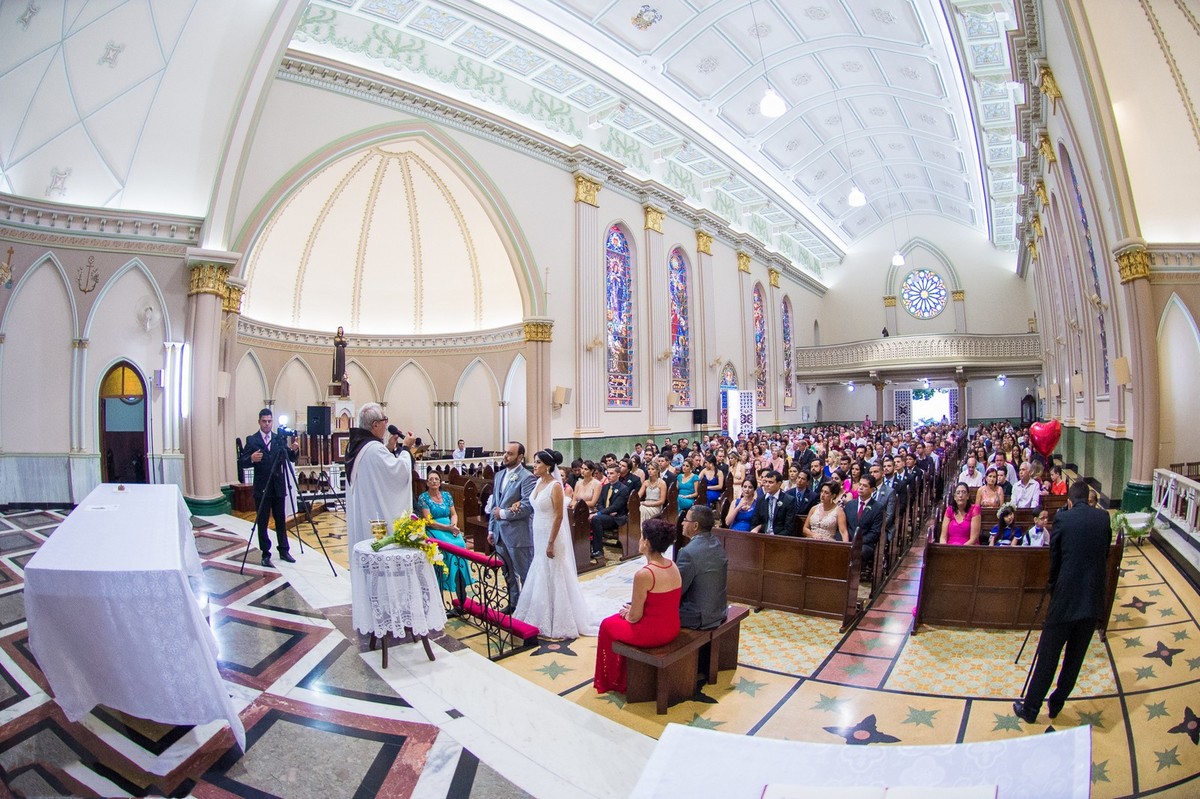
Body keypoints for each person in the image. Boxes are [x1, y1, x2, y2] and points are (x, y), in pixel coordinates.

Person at [1013, 479, 1113, 723]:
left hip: (1065, 598)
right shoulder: (1103, 519)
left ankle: (1031, 709)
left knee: (1048, 655)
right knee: (1074, 659)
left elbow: (1055, 556)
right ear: (1089, 498)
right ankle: (1056, 704)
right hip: (1092, 600)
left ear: (1069, 501)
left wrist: (1052, 585)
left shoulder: (1063, 519)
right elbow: (1106, 553)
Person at [514, 450, 598, 639]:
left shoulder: (555, 486)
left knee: (555, 570)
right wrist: (519, 503)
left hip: (552, 534)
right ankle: (541, 611)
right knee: (540, 569)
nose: (534, 465)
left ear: (548, 466)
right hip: (538, 531)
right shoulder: (538, 482)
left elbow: (559, 515)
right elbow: (534, 501)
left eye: (537, 462)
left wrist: (551, 542)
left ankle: (558, 616)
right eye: (534, 462)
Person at [594, 519, 682, 695]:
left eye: (642, 537)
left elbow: (635, 617)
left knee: (606, 625)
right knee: (617, 619)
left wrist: (628, 613)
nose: (640, 540)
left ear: (647, 542)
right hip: (672, 627)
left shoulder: (645, 574)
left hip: (653, 633)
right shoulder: (673, 565)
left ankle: (613, 679)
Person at [345, 403, 416, 555]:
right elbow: (399, 471)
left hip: (366, 509)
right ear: (375, 424)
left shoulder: (358, 445)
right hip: (376, 517)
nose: (387, 424)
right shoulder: (373, 449)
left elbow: (375, 466)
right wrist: (407, 448)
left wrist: (388, 448)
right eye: (385, 420)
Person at [238, 408, 300, 567]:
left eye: (269, 421)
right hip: (262, 487)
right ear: (259, 422)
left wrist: (295, 449)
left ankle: (284, 550)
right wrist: (251, 458)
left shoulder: (278, 439)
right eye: (264, 421)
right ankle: (265, 553)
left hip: (278, 486)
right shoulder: (252, 440)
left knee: (280, 520)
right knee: (263, 521)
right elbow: (242, 462)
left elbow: (290, 457)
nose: (267, 424)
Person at [487, 441, 536, 611]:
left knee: (525, 573)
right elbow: (495, 503)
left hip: (518, 534)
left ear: (520, 457)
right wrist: (491, 529)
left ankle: (529, 607)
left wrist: (503, 514)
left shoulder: (527, 477)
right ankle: (514, 603)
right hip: (500, 533)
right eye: (505, 452)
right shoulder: (499, 475)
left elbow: (527, 506)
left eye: (510, 453)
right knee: (507, 573)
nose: (505, 456)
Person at [417, 471, 473, 597]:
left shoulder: (447, 495)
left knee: (460, 543)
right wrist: (447, 528)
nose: (434, 481)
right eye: (431, 479)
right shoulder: (423, 497)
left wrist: (453, 525)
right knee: (448, 547)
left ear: (440, 481)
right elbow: (428, 521)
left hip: (449, 526)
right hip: (435, 528)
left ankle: (461, 581)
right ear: (427, 483)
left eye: (436, 479)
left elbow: (453, 514)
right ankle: (448, 581)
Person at [677, 505, 728, 630]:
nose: (682, 523)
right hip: (718, 609)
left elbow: (677, 589)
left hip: (697, 616)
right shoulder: (716, 543)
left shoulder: (688, 552)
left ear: (695, 526)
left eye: (686, 520)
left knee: (653, 612)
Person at [590, 464, 632, 562]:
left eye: (611, 473)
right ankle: (586, 549)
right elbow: (599, 503)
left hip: (617, 518)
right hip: (607, 515)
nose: (609, 475)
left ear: (618, 474)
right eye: (607, 473)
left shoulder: (623, 489)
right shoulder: (605, 487)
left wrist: (600, 513)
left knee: (596, 518)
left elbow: (616, 506)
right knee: (586, 518)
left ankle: (598, 550)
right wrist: (603, 513)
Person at [845, 474, 885, 567]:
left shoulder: (878, 508)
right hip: (847, 540)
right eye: (860, 485)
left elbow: (874, 532)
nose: (861, 488)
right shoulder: (850, 504)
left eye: (865, 486)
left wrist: (857, 542)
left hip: (864, 544)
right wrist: (846, 541)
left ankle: (853, 579)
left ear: (872, 490)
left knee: (858, 553)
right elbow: (844, 526)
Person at [750, 470, 798, 536]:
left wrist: (774, 537)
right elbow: (754, 522)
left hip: (780, 538)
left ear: (779, 484)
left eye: (770, 482)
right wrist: (757, 529)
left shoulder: (788, 500)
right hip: (762, 536)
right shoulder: (760, 500)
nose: (767, 485)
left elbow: (789, 528)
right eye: (765, 482)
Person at [638, 461, 667, 526]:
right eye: (649, 469)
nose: (650, 471)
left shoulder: (662, 483)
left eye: (652, 469)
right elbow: (638, 496)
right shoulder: (646, 482)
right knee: (639, 509)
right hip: (645, 504)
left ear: (657, 471)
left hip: (656, 506)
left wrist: (650, 504)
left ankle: (644, 533)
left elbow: (662, 501)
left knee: (642, 510)